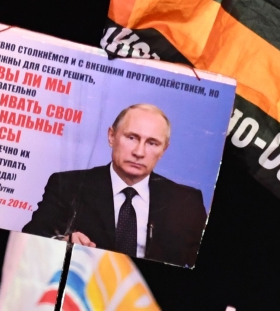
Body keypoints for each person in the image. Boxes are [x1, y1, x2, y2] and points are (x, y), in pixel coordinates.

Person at [23, 104, 207, 267]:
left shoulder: (187, 202)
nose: (139, 152)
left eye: (152, 143)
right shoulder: (67, 186)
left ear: (163, 150)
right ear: (112, 136)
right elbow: (27, 245)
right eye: (132, 138)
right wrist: (62, 242)